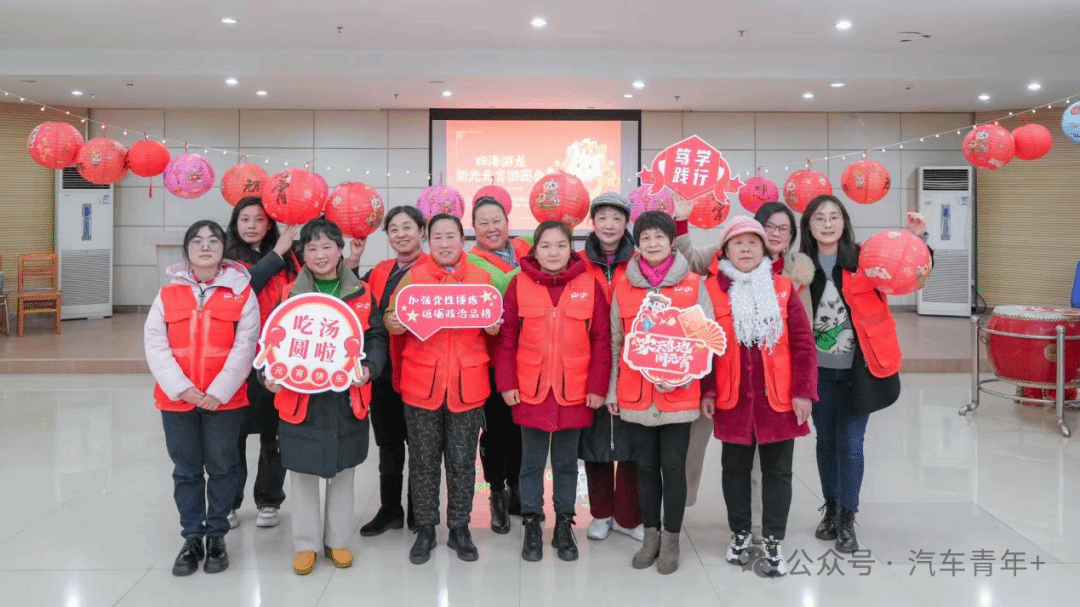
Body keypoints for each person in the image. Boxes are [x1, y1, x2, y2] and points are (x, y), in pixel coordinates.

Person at [673, 200, 814, 544]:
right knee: (734, 471)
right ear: (724, 251)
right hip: (731, 399)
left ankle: (773, 538)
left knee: (778, 472)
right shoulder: (708, 289)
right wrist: (708, 390)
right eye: (738, 243)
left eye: (753, 242)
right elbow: (702, 346)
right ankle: (739, 534)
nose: (747, 248)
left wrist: (803, 392)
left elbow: (804, 345)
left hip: (778, 400)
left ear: (765, 250)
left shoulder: (783, 288)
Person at [799, 194, 925, 554]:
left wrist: (916, 239)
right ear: (808, 226)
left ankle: (848, 516)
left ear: (844, 222)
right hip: (819, 373)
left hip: (860, 369)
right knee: (826, 443)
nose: (827, 224)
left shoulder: (865, 258)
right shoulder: (799, 267)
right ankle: (831, 508)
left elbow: (904, 268)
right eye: (819, 217)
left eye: (834, 216)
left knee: (851, 444)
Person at [265, 218, 387, 575]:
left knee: (344, 473)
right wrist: (267, 374)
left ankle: (338, 540)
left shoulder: (361, 292)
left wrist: (370, 367)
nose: (320, 255)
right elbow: (270, 342)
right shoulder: (288, 294)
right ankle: (306, 545)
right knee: (302, 475)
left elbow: (376, 337)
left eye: (327, 247)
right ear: (302, 254)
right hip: (301, 398)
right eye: (312, 248)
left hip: (347, 396)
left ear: (340, 251)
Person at [385, 213, 503, 565]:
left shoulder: (482, 279)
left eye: (451, 236)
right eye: (437, 237)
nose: (445, 243)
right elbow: (393, 320)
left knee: (462, 462)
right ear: (428, 241)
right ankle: (425, 528)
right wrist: (393, 322)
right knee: (423, 462)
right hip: (422, 384)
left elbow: (495, 330)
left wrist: (495, 327)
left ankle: (459, 528)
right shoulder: (413, 278)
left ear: (463, 241)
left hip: (468, 384)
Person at [144, 219, 260, 576]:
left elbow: (246, 345)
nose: (205, 246)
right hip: (177, 400)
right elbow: (155, 344)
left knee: (223, 467)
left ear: (224, 248)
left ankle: (217, 536)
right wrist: (182, 388)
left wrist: (218, 392)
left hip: (224, 401)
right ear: (187, 250)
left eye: (213, 240)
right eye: (197, 241)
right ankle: (192, 536)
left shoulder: (242, 292)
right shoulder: (168, 294)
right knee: (186, 470)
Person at [495, 220, 611, 562]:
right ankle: (532, 523)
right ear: (535, 250)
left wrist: (597, 386)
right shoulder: (518, 284)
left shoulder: (589, 284)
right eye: (545, 246)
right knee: (530, 464)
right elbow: (506, 340)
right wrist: (507, 383)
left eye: (561, 245)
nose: (554, 252)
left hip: (574, 390)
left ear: (571, 248)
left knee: (566, 464)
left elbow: (602, 341)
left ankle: (564, 524)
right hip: (530, 390)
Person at [608, 211, 714, 575]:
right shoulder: (624, 285)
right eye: (646, 238)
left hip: (678, 397)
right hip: (635, 395)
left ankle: (671, 539)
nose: (652, 243)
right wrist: (612, 390)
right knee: (646, 468)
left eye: (659, 237)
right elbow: (615, 342)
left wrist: (683, 376)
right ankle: (650, 536)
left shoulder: (693, 284)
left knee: (674, 468)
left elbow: (705, 339)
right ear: (637, 243)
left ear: (671, 241)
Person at [223, 197, 299, 529]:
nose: (252, 225)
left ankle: (269, 500)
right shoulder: (226, 260)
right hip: (238, 359)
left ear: (270, 224)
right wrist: (277, 253)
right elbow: (245, 287)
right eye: (245, 219)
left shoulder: (291, 258)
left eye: (259, 219)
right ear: (235, 223)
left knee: (275, 435)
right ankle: (229, 502)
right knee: (233, 437)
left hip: (278, 358)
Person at [356, 206, 429, 536]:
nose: (401, 234)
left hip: (419, 371)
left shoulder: (434, 269)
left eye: (407, 227)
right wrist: (354, 260)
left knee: (420, 446)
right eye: (394, 229)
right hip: (382, 372)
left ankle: (419, 511)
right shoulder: (379, 271)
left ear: (421, 231)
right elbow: (356, 302)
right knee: (388, 445)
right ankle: (390, 510)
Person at [578, 192, 644, 542]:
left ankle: (628, 517)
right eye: (602, 217)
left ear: (626, 223)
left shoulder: (639, 260)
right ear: (592, 222)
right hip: (588, 359)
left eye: (616, 218)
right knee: (595, 440)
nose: (609, 225)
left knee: (632, 440)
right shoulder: (577, 262)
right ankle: (601, 513)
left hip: (634, 359)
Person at [468, 197, 532, 533]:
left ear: (508, 222)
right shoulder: (467, 263)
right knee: (495, 431)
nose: (492, 228)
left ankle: (518, 488)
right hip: (490, 360)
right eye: (483, 223)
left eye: (497, 221)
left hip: (530, 358)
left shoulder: (527, 249)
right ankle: (497, 493)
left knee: (522, 428)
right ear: (473, 228)